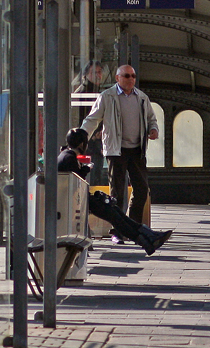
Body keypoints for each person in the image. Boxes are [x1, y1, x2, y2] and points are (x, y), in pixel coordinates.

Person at [80, 64, 163, 245]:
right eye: (126, 76)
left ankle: (133, 229)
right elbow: (92, 119)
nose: (131, 79)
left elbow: (151, 119)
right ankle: (117, 231)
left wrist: (154, 129)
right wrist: (80, 139)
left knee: (141, 190)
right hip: (115, 150)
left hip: (136, 149)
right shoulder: (107, 97)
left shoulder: (141, 97)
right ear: (118, 78)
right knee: (117, 193)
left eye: (133, 75)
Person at [57, 128, 171, 255]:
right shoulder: (70, 158)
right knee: (113, 214)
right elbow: (76, 180)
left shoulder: (66, 155)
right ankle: (147, 239)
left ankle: (148, 237)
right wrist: (86, 169)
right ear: (82, 144)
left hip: (75, 198)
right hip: (75, 201)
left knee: (114, 210)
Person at [71, 60, 107, 186]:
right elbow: (82, 117)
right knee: (91, 175)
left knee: (96, 174)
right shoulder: (83, 93)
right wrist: (96, 133)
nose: (98, 75)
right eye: (94, 72)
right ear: (86, 74)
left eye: (99, 72)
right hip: (88, 142)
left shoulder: (99, 91)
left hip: (95, 142)